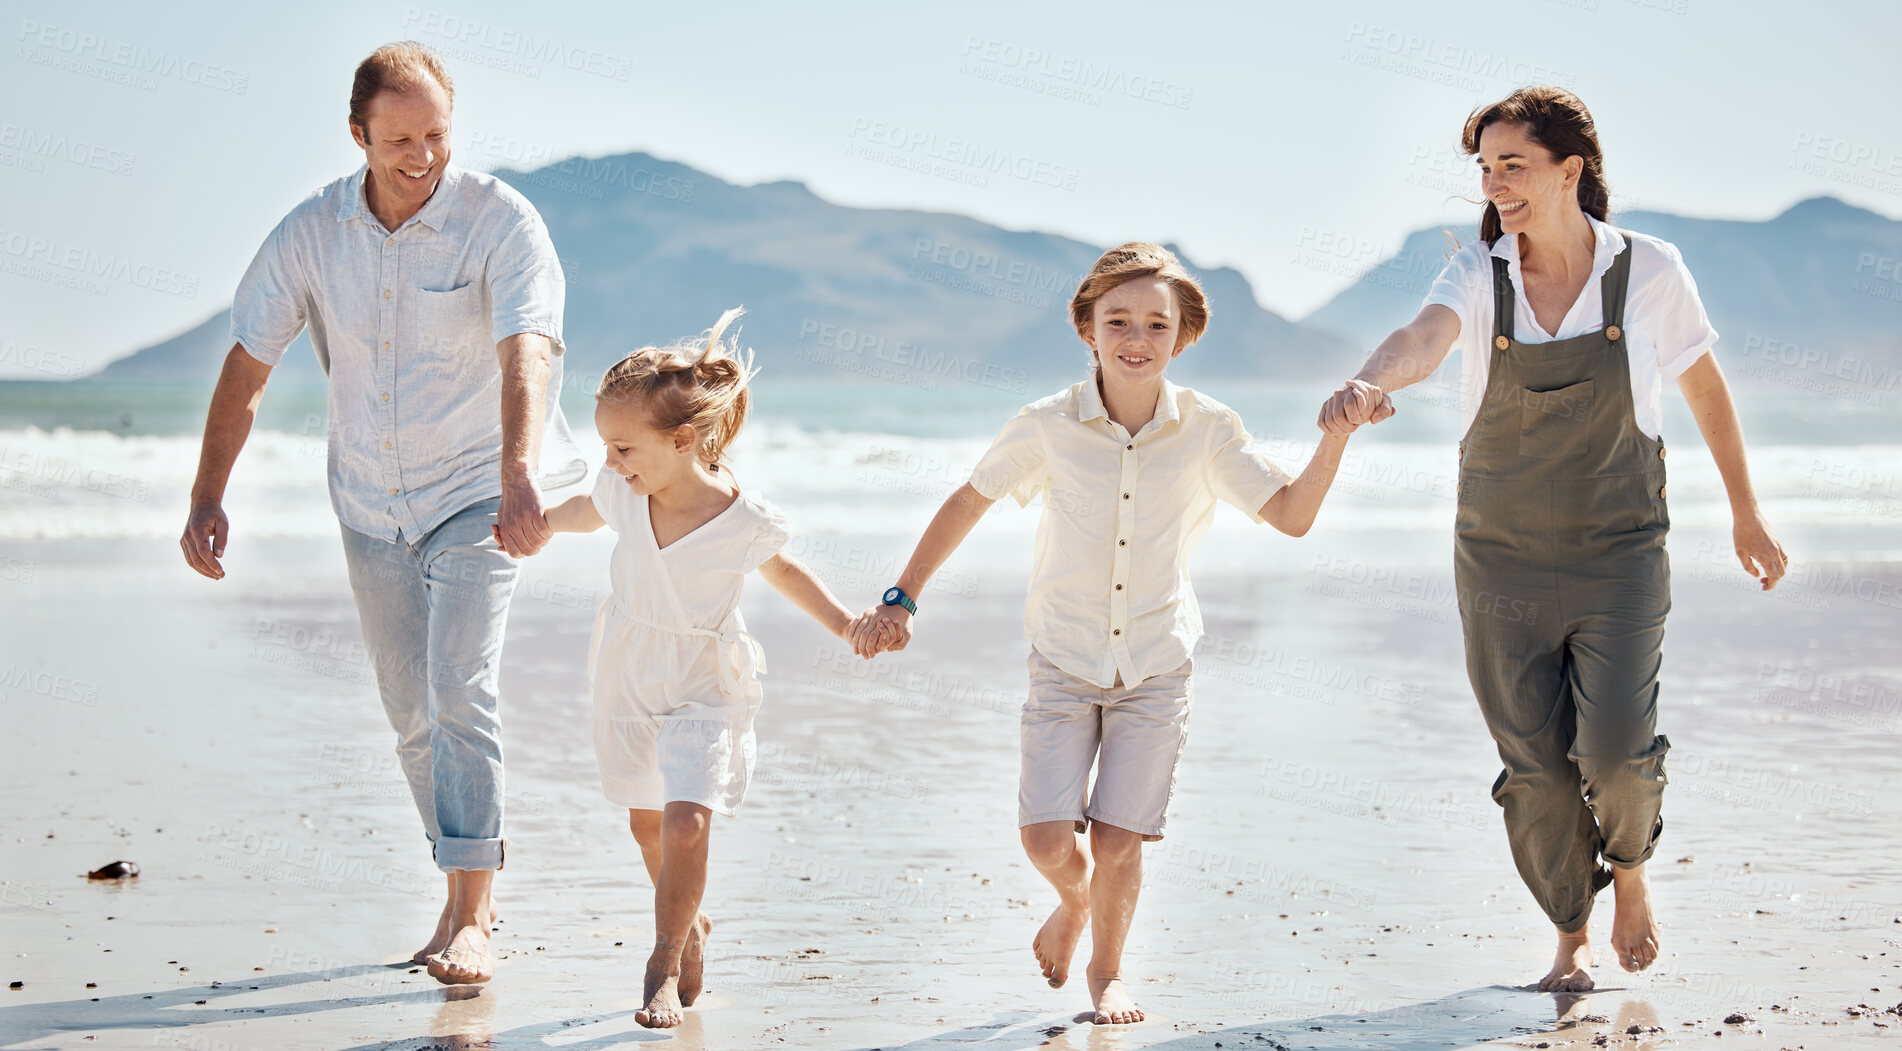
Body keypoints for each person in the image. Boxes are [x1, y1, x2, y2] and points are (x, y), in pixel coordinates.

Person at [1318, 86, 1788, 993]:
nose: (1495, 185)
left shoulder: (1649, 270)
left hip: (1619, 553)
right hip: (1499, 563)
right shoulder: (1476, 276)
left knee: (1613, 750)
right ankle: (1569, 934)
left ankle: (1633, 876)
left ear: (1571, 170)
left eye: (1514, 165)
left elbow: (1707, 391)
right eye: (1486, 169)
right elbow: (1421, 338)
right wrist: (1372, 383)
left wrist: (1745, 509)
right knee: (1534, 768)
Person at [854, 243, 1369, 1025]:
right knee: (1044, 838)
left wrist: (1335, 437)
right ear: (1087, 329)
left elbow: (1293, 516)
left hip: (1157, 666)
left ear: (1182, 335)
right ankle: (1072, 897)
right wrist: (902, 597)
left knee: (1123, 840)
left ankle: (1109, 975)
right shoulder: (1047, 425)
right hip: (1062, 659)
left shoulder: (1208, 430)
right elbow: (968, 500)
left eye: (1156, 323)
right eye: (1118, 320)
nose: (1137, 336)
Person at [179, 41, 585, 985]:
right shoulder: (311, 233)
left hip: (479, 487)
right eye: (399, 138)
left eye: (437, 135)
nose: (421, 156)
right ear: (357, 133)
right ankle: (459, 887)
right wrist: (208, 494)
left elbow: (530, 343)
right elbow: (247, 364)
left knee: (457, 687)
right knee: (410, 714)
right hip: (368, 498)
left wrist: (521, 472)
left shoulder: (500, 220)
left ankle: (475, 915)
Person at [513, 308, 874, 1028]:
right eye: (607, 448)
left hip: (707, 681)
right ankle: (693, 922)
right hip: (628, 669)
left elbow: (786, 573)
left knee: (685, 823)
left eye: (623, 447)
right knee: (647, 824)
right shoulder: (623, 490)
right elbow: (589, 507)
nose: (612, 462)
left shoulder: (742, 517)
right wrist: (541, 523)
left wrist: (846, 623)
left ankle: (664, 959)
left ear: (682, 441)